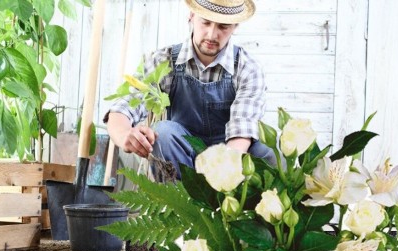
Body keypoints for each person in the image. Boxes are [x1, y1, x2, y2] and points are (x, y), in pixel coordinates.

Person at [104, 0, 275, 179]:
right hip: (181, 160)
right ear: (191, 16)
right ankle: (175, 204)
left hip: (229, 159)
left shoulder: (247, 68)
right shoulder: (164, 61)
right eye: (206, 22)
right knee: (162, 133)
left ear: (235, 26)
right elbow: (122, 108)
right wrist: (124, 135)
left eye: (223, 26)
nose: (212, 34)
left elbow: (242, 133)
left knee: (268, 152)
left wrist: (220, 179)